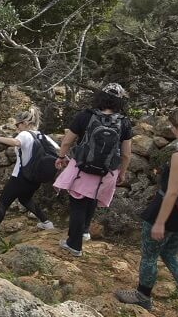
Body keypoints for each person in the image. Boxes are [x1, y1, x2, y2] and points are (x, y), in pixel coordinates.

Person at [114, 108, 178, 317]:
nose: (171, 129)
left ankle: (143, 296)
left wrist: (159, 222)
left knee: (149, 255)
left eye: (173, 126)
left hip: (166, 214)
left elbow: (173, 193)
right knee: (171, 255)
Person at [53, 83, 133, 257]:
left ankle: (74, 245)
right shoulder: (124, 122)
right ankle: (84, 231)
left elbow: (67, 141)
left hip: (82, 167)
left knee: (77, 204)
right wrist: (122, 172)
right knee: (91, 199)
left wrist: (61, 157)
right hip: (107, 171)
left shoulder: (85, 116)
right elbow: (126, 154)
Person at [0, 107, 57, 244]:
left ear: (24, 123)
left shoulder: (25, 134)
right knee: (25, 199)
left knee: (3, 203)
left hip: (20, 177)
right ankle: (46, 222)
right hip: (35, 179)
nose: (17, 128)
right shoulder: (42, 135)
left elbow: (16, 142)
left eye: (17, 125)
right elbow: (58, 151)